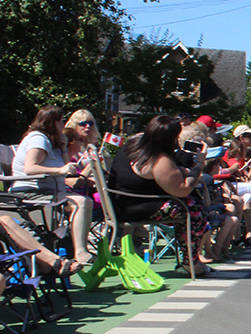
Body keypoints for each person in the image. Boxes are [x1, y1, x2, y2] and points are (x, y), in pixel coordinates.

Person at [108, 115, 213, 276]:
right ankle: (190, 261)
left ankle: (188, 257)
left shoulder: (134, 144)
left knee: (185, 203)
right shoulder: (159, 159)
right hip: (137, 207)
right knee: (193, 206)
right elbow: (182, 189)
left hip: (118, 202)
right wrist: (199, 164)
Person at [10, 105, 94, 267]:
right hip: (31, 191)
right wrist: (59, 170)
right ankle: (80, 251)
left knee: (86, 201)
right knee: (81, 202)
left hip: (50, 192)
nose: (63, 125)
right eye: (61, 121)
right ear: (53, 122)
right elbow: (30, 167)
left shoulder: (51, 141)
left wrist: (63, 148)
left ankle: (79, 250)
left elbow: (66, 167)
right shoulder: (38, 139)